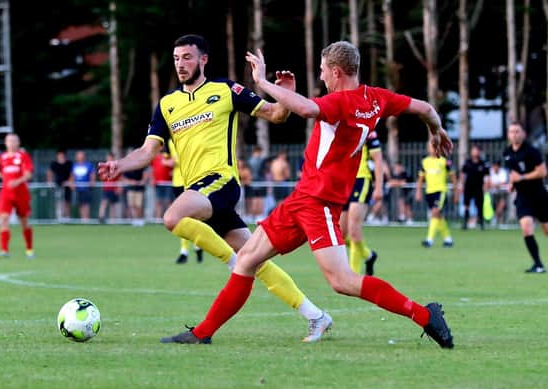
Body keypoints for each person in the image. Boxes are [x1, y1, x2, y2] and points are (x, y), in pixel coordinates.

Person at [160, 41, 454, 349]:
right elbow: (426, 109)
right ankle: (202, 332)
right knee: (246, 259)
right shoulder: (376, 98)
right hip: (301, 200)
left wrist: (261, 83)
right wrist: (437, 130)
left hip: (320, 204)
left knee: (342, 281)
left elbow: (306, 108)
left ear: (337, 72)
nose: (322, 76)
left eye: (323, 71)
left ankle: (424, 315)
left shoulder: (341, 101)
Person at [98, 34, 328, 342]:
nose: (181, 64)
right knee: (255, 260)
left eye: (188, 57)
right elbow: (147, 151)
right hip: (200, 191)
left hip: (221, 181)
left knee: (172, 218)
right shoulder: (167, 105)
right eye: (177, 58)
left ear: (203, 59)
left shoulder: (225, 90)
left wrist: (286, 94)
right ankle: (317, 316)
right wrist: (120, 166)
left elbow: (275, 114)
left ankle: (233, 264)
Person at [503, 121, 548, 273]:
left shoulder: (532, 151)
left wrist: (521, 178)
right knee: (526, 229)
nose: (514, 135)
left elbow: (542, 172)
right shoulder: (507, 153)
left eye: (517, 131)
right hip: (523, 198)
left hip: (539, 196)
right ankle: (538, 265)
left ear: (523, 134)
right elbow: (513, 174)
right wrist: (512, 184)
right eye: (511, 132)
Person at [339, 130, 383, 276]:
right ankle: (369, 256)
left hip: (361, 180)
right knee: (341, 234)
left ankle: (352, 276)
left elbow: (378, 160)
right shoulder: (339, 129)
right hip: (344, 183)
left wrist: (379, 187)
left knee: (354, 231)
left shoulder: (368, 131)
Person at [0, 133, 35, 258]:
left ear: (18, 143)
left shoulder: (23, 156)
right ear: (5, 143)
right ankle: (4, 250)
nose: (11, 143)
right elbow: (2, 173)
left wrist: (17, 181)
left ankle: (29, 249)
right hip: (6, 193)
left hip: (21, 193)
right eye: (9, 141)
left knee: (24, 221)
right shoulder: (2, 158)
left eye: (14, 141)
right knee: (4, 219)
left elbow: (28, 174)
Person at [165, 139, 203, 264]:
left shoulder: (190, 136)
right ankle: (186, 250)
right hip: (177, 183)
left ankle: (195, 246)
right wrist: (168, 161)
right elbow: (166, 159)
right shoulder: (170, 141)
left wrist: (174, 161)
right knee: (181, 219)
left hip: (191, 181)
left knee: (193, 218)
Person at [415, 141, 457, 248]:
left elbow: (453, 177)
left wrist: (456, 192)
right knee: (438, 216)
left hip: (440, 191)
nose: (432, 149)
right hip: (429, 192)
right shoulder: (425, 162)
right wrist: (418, 191)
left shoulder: (444, 161)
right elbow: (420, 178)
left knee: (434, 213)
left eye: (434, 146)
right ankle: (448, 239)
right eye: (430, 146)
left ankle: (429, 240)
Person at [458, 144, 490, 230]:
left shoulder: (483, 163)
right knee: (466, 205)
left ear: (479, 152)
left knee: (480, 205)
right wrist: (461, 185)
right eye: (473, 150)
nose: (475, 152)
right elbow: (462, 175)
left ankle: (481, 223)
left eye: (477, 150)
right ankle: (465, 222)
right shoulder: (467, 162)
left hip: (479, 187)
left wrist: (486, 186)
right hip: (468, 187)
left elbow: (487, 176)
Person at [47, 149, 73, 221]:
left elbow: (72, 174)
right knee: (58, 201)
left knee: (67, 201)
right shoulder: (54, 163)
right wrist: (50, 182)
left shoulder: (69, 163)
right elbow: (49, 173)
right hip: (57, 185)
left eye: (62, 155)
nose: (61, 156)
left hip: (67, 185)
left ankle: (67, 218)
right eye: (59, 155)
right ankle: (59, 217)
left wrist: (70, 182)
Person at [70, 150, 95, 221]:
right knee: (80, 204)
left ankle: (86, 219)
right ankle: (82, 219)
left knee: (86, 204)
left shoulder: (88, 165)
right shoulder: (74, 165)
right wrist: (72, 184)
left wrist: (91, 182)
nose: (80, 157)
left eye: (81, 155)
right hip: (78, 189)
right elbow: (72, 176)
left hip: (86, 188)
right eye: (78, 156)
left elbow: (92, 174)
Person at [98, 152, 122, 223]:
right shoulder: (104, 167)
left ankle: (113, 220)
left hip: (114, 188)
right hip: (106, 189)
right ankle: (101, 217)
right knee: (104, 202)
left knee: (113, 204)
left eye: (110, 158)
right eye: (108, 158)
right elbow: (102, 177)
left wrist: (119, 188)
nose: (108, 159)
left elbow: (119, 178)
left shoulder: (116, 167)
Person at [151, 148, 174, 219]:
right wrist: (152, 179)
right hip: (158, 184)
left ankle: (169, 218)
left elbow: (173, 166)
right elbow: (153, 170)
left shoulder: (168, 156)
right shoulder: (155, 158)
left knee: (169, 202)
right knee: (158, 202)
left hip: (168, 183)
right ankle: (158, 219)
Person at [246, 145, 266, 219]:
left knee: (255, 199)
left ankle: (254, 216)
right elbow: (262, 171)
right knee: (256, 199)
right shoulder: (260, 160)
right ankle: (255, 216)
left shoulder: (249, 160)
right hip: (257, 181)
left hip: (253, 181)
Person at [488, 159, 509, 225]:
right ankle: (497, 218)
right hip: (493, 192)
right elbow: (488, 183)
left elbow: (503, 183)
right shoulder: (490, 171)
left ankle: (495, 218)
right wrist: (496, 185)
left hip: (502, 191)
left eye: (496, 166)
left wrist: (494, 185)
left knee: (502, 204)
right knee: (494, 205)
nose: (495, 167)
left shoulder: (503, 172)